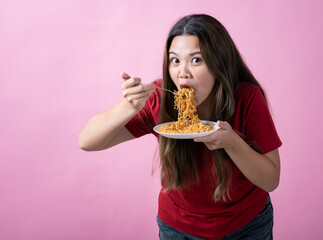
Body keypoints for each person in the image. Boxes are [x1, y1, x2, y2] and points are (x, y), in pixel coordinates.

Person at [79, 14, 282, 240]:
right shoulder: (160, 99)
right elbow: (87, 141)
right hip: (179, 228)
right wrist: (129, 106)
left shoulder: (246, 98)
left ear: (219, 63)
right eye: (175, 60)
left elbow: (270, 180)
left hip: (247, 225)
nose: (183, 72)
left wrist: (232, 142)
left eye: (196, 60)